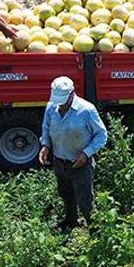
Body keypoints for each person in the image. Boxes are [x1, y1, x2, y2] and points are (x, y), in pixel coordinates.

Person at [38, 77, 108, 229]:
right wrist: (45, 145)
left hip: (81, 163)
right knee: (65, 193)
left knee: (85, 198)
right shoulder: (51, 107)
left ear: (72, 93)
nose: (60, 104)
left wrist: (86, 153)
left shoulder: (86, 110)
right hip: (59, 160)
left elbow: (101, 135)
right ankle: (71, 221)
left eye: (63, 100)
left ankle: (94, 228)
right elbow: (46, 127)